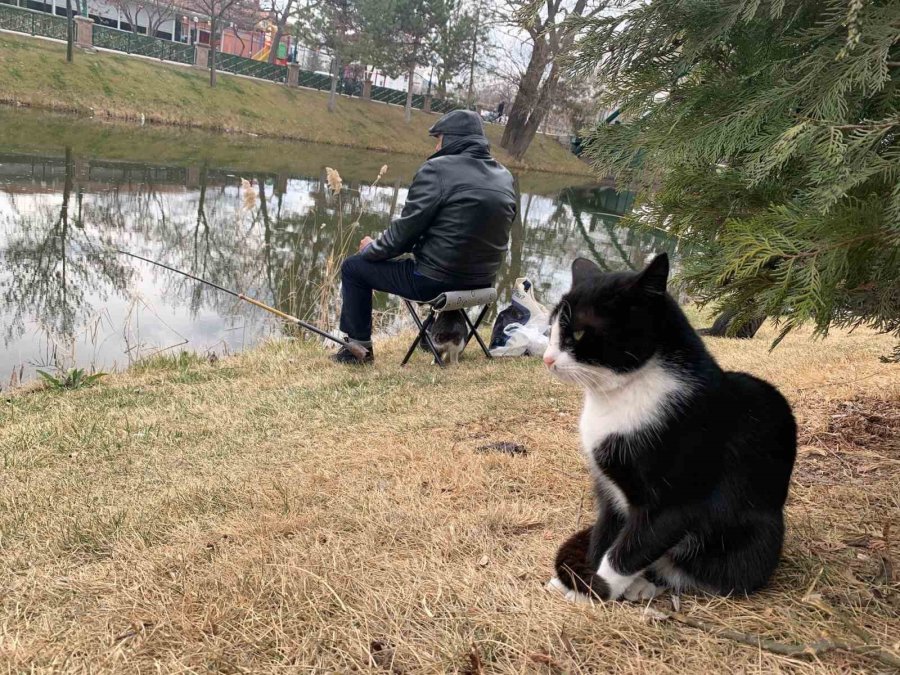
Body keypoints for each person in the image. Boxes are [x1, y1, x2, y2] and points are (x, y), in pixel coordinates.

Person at [332, 109, 518, 365]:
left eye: (438, 138)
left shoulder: (437, 170)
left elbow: (404, 235)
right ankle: (441, 333)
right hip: (483, 282)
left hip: (435, 282)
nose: (436, 145)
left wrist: (371, 248)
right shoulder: (505, 176)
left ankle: (357, 350)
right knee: (445, 259)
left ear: (452, 139)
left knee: (353, 268)